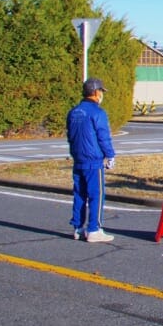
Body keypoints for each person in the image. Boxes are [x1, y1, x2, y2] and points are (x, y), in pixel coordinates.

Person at [66, 77, 116, 242]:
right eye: (101, 91)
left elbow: (70, 136)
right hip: (93, 160)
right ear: (95, 92)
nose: (102, 94)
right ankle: (94, 229)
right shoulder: (98, 113)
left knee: (79, 194)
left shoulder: (73, 112)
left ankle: (78, 228)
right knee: (96, 195)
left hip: (78, 159)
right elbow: (103, 137)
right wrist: (110, 155)